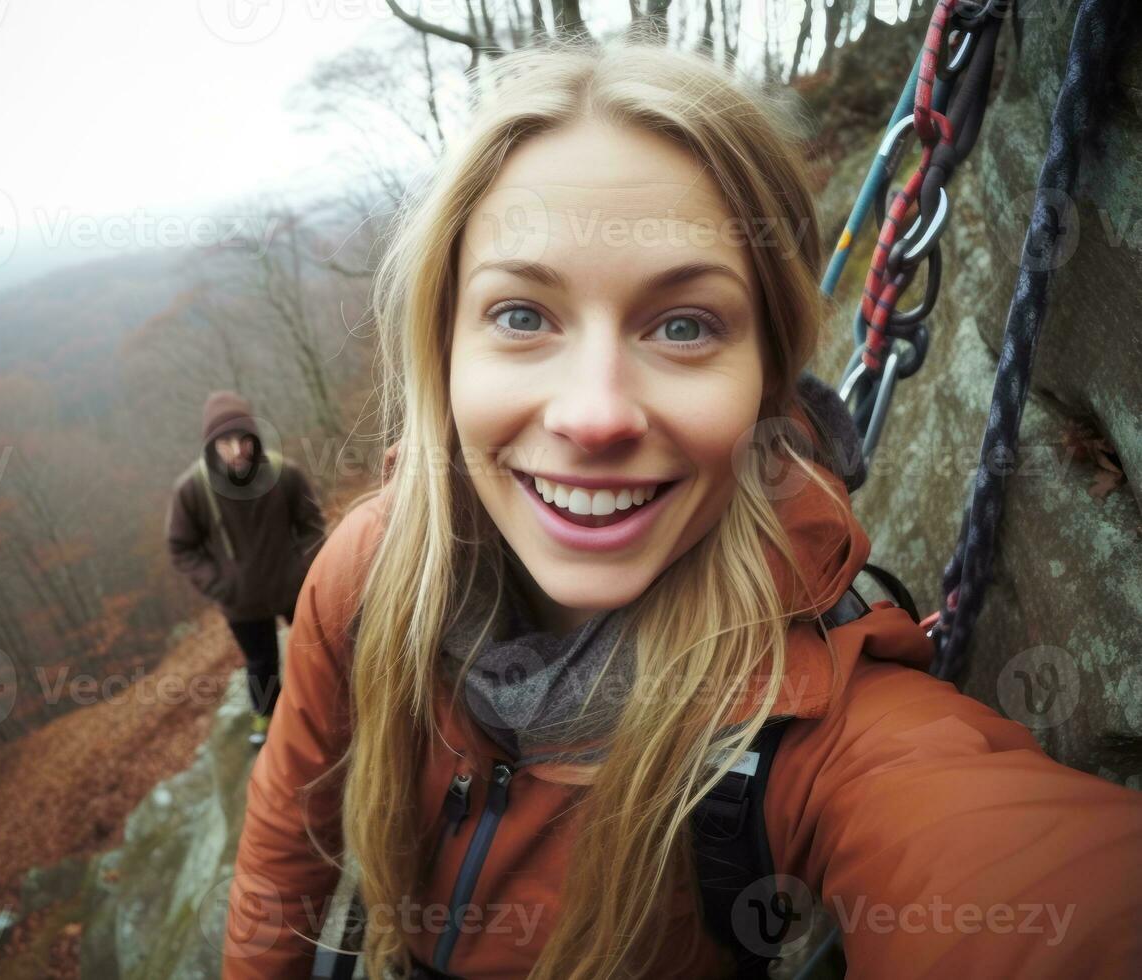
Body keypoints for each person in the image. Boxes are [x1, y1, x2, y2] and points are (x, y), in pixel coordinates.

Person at [222, 36, 1142, 980]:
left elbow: (1024, 886)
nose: (594, 415)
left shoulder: (810, 714)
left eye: (683, 325)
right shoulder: (372, 572)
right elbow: (282, 850)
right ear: (443, 347)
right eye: (521, 316)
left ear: (767, 379)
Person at [166, 390, 325, 748]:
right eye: (224, 441)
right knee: (261, 662)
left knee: (315, 648)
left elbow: (312, 524)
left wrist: (302, 569)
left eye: (243, 438)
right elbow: (181, 547)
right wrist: (223, 586)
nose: (236, 449)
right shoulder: (192, 490)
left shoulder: (284, 474)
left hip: (292, 587)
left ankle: (326, 704)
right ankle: (267, 720)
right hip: (242, 602)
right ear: (211, 445)